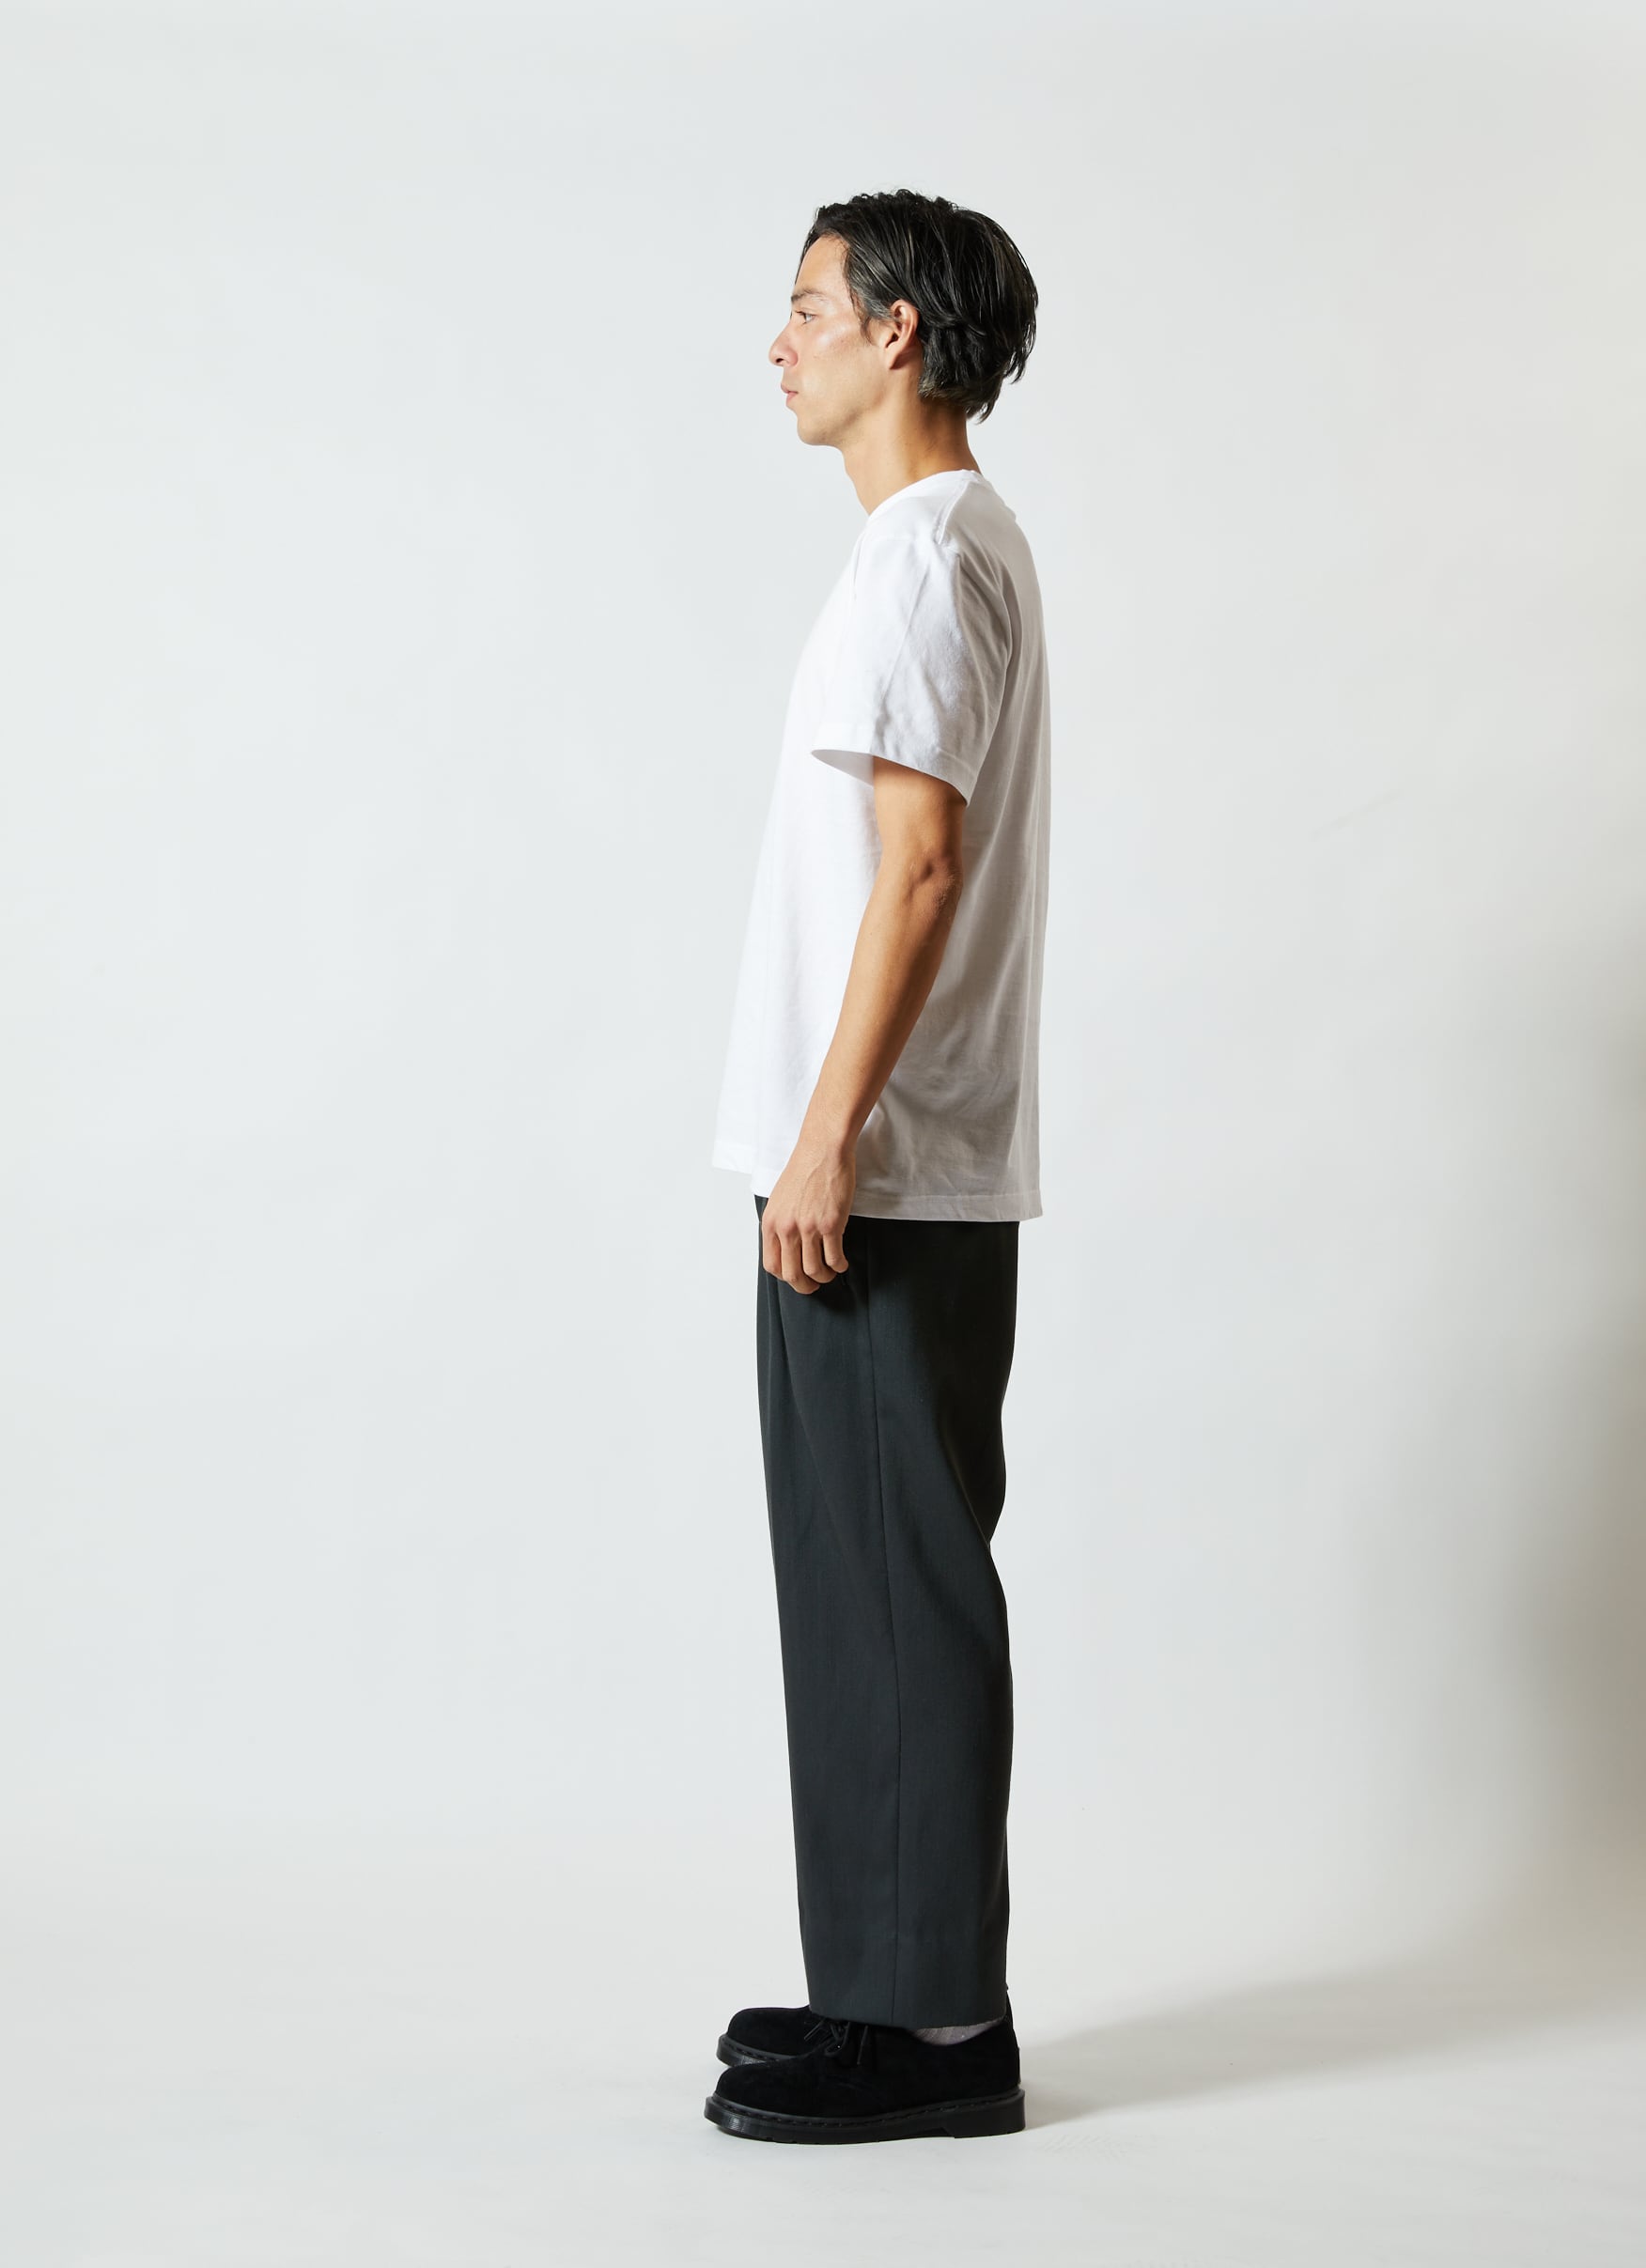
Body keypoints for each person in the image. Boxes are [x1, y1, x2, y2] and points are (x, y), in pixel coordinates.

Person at [705, 187, 1049, 2145]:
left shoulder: (924, 559)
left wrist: (823, 1138)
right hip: (893, 1161)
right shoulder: (947, 547)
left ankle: (933, 2030)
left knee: (896, 1588)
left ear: (899, 331)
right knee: (864, 1586)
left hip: (880, 1168)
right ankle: (882, 1987)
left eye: (810, 306)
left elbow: (919, 872)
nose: (782, 342)